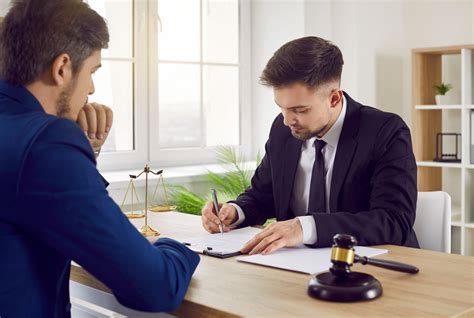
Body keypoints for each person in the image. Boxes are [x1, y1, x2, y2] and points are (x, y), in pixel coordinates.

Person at [0, 1, 199, 317]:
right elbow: (156, 288)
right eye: (92, 71)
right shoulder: (45, 144)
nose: (91, 90)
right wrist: (178, 247)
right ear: (62, 67)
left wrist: (85, 151)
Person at [201, 36, 419, 255]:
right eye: (281, 108)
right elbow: (262, 195)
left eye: (300, 110)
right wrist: (235, 212)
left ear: (334, 98)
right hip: (295, 264)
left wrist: (304, 228)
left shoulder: (385, 131)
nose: (287, 120)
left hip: (373, 266)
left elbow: (394, 220)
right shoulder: (282, 130)